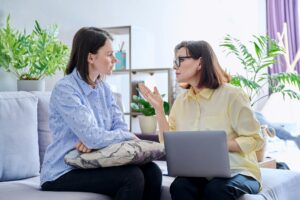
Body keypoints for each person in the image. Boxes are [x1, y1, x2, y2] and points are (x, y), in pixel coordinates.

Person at [40, 27, 162, 200]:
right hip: (63, 170)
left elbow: (114, 128)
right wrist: (109, 138)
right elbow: (94, 137)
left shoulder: (104, 89)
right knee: (132, 177)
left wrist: (97, 140)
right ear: (91, 57)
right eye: (109, 54)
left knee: (153, 172)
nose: (115, 59)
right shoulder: (66, 89)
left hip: (94, 162)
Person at [139, 40, 264, 200]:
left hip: (239, 171)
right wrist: (159, 110)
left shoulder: (232, 95)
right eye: (174, 61)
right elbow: (168, 142)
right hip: (199, 172)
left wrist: (218, 146)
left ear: (200, 62)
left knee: (216, 190)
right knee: (180, 186)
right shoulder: (181, 102)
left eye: (181, 60)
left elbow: (255, 139)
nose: (175, 66)